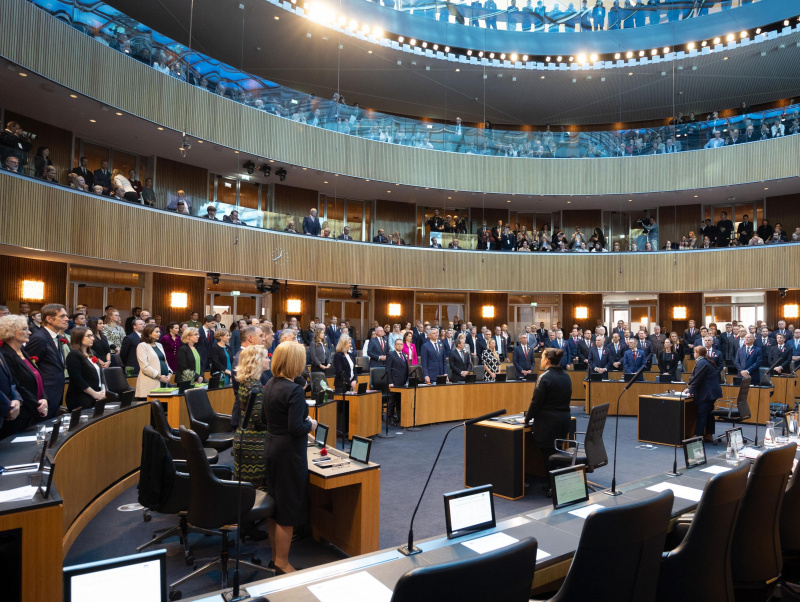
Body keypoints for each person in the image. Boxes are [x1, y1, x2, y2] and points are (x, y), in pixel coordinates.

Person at [263, 342, 316, 574]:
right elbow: (296, 427)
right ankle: (283, 563)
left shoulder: (270, 384)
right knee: (288, 510)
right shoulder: (293, 390)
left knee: (275, 506)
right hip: (289, 454)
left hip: (272, 447)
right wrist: (311, 423)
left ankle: (276, 558)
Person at [525, 348, 572, 496]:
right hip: (563, 421)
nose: (540, 360)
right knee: (555, 450)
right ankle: (555, 484)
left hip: (547, 423)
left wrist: (527, 419)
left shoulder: (544, 377)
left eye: (542, 358)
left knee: (548, 453)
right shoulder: (567, 377)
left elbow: (535, 403)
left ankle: (553, 486)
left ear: (547, 360)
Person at [0, 315, 48, 438]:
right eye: (24, 329)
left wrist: (44, 398)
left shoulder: (23, 351)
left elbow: (37, 378)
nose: (30, 332)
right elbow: (17, 385)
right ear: (10, 332)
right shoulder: (6, 354)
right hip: (21, 411)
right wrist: (37, 405)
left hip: (34, 408)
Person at [233, 345, 270, 489]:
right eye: (266, 357)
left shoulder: (246, 382)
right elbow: (258, 420)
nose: (268, 360)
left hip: (244, 439)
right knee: (256, 492)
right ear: (257, 361)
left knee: (243, 491)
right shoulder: (255, 386)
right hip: (254, 444)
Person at [25, 303, 68, 417]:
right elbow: (28, 369)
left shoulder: (56, 337)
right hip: (44, 396)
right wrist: (41, 396)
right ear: (49, 319)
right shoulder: (39, 338)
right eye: (62, 316)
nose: (66, 319)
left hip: (55, 394)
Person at [685, 346, 723, 442]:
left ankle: (697, 436)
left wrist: (690, 391)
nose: (693, 354)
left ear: (697, 354)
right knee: (709, 414)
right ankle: (708, 435)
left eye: (694, 352)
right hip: (711, 392)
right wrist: (690, 389)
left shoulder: (701, 362)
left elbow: (697, 378)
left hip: (708, 393)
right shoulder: (705, 361)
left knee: (702, 414)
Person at [65, 326, 106, 410]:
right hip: (81, 397)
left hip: (97, 395)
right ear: (79, 337)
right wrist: (94, 394)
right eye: (89, 336)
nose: (93, 338)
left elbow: (101, 374)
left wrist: (103, 390)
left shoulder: (93, 353)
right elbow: (78, 379)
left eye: (92, 335)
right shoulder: (74, 355)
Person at [135, 324, 172, 398]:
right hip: (151, 382)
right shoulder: (142, 346)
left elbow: (165, 362)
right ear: (149, 333)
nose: (160, 334)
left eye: (159, 331)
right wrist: (159, 376)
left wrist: (169, 374)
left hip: (164, 381)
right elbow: (144, 367)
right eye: (157, 332)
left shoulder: (159, 345)